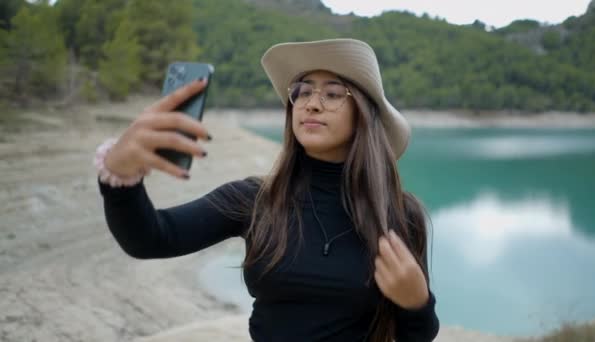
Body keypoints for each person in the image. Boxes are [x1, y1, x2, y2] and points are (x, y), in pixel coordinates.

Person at [95, 38, 439, 342]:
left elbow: (416, 335)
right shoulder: (254, 200)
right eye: (302, 92)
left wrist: (418, 304)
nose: (311, 103)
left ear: (363, 114)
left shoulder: (398, 215)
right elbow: (151, 238)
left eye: (333, 94)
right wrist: (119, 178)